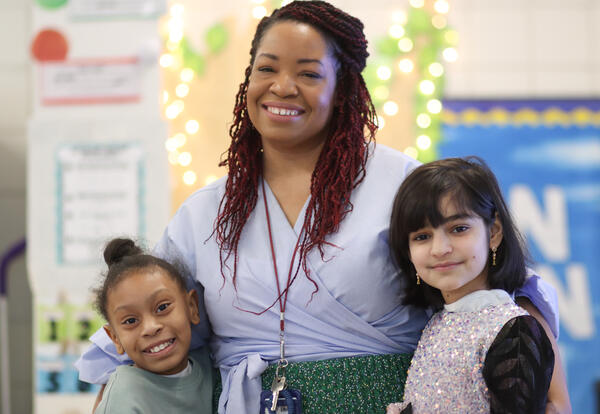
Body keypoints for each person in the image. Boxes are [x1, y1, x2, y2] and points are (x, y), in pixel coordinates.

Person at [75, 2, 563, 413]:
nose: (282, 87)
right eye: (266, 69)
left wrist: (554, 403)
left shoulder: (406, 183)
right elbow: (134, 333)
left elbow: (509, 296)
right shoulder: (205, 211)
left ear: (343, 86)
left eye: (308, 73)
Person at [386, 157, 570, 413]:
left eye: (459, 229)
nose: (440, 249)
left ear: (493, 232)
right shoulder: (436, 323)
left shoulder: (513, 330)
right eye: (422, 236)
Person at [92, 238, 214, 413]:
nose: (150, 327)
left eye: (162, 307)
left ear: (192, 307)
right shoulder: (123, 398)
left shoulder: (212, 365)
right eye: (130, 321)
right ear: (115, 338)